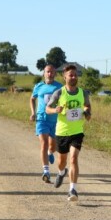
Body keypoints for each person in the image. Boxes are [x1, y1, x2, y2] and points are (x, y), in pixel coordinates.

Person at [46, 64, 91, 202]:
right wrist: (55, 110)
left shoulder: (82, 93)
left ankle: (72, 189)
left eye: (75, 75)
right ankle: (61, 172)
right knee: (62, 162)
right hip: (62, 132)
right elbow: (48, 108)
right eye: (70, 75)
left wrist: (87, 112)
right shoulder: (59, 93)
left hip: (77, 131)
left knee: (73, 159)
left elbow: (87, 105)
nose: (73, 77)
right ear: (65, 77)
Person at [30, 65, 63, 183]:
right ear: (44, 73)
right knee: (43, 144)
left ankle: (50, 153)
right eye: (48, 72)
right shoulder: (38, 86)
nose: (50, 74)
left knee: (52, 146)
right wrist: (33, 113)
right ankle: (46, 171)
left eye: (52, 72)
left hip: (55, 120)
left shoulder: (60, 87)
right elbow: (32, 99)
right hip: (41, 119)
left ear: (55, 74)